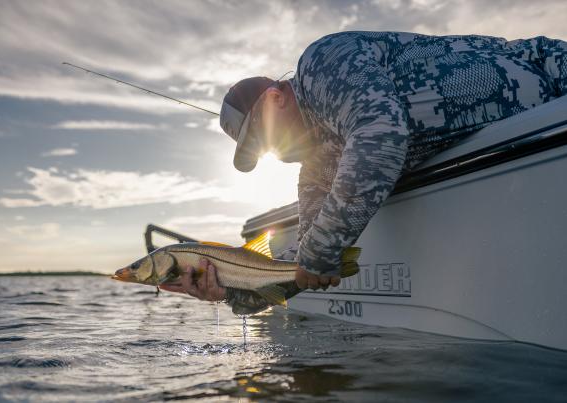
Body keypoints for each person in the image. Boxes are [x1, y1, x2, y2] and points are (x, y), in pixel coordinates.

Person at [161, 31, 567, 312]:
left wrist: (320, 254)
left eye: (259, 138)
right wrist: (230, 290)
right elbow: (300, 263)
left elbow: (382, 133)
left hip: (550, 72)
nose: (267, 151)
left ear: (275, 99)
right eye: (255, 148)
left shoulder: (321, 62)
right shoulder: (316, 170)